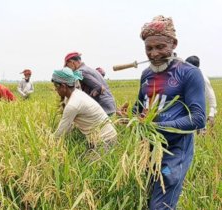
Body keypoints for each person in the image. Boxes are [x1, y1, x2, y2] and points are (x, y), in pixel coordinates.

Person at [119, 15, 206, 209]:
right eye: (149, 48)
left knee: (160, 205)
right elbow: (139, 109)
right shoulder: (147, 74)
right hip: (148, 149)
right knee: (149, 196)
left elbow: (198, 118)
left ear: (173, 44)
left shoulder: (189, 73)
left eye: (160, 47)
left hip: (175, 151)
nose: (154, 54)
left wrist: (157, 126)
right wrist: (129, 117)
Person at [52, 67, 117, 154]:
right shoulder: (76, 95)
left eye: (56, 86)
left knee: (87, 166)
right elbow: (69, 125)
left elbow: (61, 133)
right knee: (81, 161)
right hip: (97, 139)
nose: (55, 89)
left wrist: (46, 144)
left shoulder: (73, 104)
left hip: (105, 140)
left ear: (63, 86)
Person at [185, 55, 217, 128]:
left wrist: (211, 114)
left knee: (200, 132)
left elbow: (211, 95)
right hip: (186, 113)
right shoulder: (186, 76)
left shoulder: (202, 78)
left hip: (198, 112)